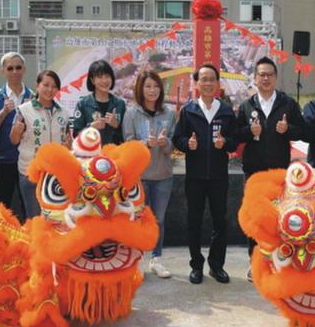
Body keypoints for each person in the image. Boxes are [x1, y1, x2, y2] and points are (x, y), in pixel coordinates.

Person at [236, 56, 304, 281]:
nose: (265, 78)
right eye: (261, 75)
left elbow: (303, 131)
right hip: (253, 172)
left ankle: (277, 260)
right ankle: (253, 262)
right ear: (255, 78)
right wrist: (249, 132)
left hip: (279, 172)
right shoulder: (246, 106)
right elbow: (235, 136)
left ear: (275, 78)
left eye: (269, 74)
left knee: (279, 218)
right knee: (254, 219)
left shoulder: (288, 104)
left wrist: (288, 129)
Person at [173, 63, 238, 285]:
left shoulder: (227, 111)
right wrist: (187, 144)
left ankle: (216, 265)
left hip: (219, 176)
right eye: (204, 79)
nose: (208, 83)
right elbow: (177, 138)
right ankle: (196, 265)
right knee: (195, 221)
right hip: (195, 177)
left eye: (212, 79)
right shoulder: (189, 111)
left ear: (218, 84)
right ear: (197, 83)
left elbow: (235, 141)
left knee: (221, 221)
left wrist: (225, 142)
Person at [123, 71, 176, 278]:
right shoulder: (132, 113)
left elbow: (172, 146)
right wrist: (145, 143)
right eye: (148, 87)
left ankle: (157, 259)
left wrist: (165, 143)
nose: (152, 91)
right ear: (140, 89)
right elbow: (127, 143)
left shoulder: (169, 113)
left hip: (163, 175)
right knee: (137, 219)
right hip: (139, 176)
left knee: (159, 219)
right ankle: (136, 261)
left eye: (156, 86)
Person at [9, 70, 71, 219]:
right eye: (46, 85)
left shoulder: (63, 112)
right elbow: (14, 140)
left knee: (56, 217)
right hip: (31, 173)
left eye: (54, 86)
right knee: (35, 218)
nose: (50, 90)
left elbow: (67, 142)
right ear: (37, 86)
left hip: (56, 175)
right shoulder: (23, 110)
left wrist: (69, 146)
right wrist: (16, 131)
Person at [0, 52, 35, 218]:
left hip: (28, 161)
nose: (15, 71)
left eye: (18, 67)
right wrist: (3, 112)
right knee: (2, 206)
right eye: (10, 68)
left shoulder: (34, 98)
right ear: (3, 71)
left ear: (24, 69)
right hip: (4, 159)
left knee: (29, 206)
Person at [72, 60, 126, 145]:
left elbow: (127, 136)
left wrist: (116, 125)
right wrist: (91, 127)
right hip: (90, 155)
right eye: (100, 77)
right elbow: (76, 135)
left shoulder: (120, 104)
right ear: (92, 80)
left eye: (107, 76)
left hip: (114, 154)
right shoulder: (82, 104)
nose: (104, 81)